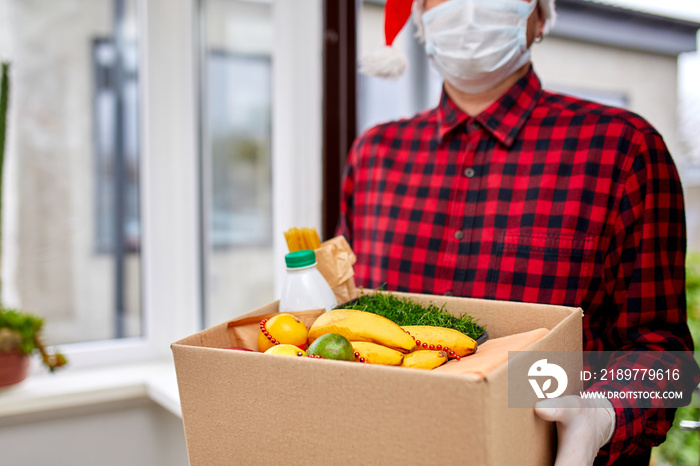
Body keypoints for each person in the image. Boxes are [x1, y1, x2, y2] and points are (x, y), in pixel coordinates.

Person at [337, 0, 695, 464]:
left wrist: (603, 411)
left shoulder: (622, 149)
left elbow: (664, 357)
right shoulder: (376, 154)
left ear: (540, 17)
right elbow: (345, 317)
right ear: (420, 17)